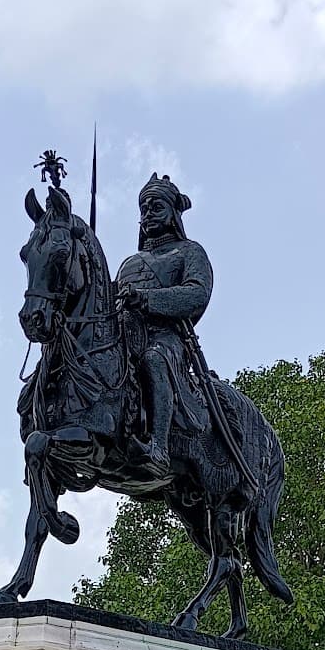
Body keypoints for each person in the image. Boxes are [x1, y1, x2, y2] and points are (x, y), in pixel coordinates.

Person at [116, 173, 213, 472]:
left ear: (173, 214)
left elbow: (196, 294)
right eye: (144, 209)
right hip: (125, 336)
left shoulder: (189, 251)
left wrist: (145, 299)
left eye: (156, 207)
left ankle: (159, 447)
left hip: (166, 338)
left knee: (154, 359)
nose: (148, 214)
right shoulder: (129, 263)